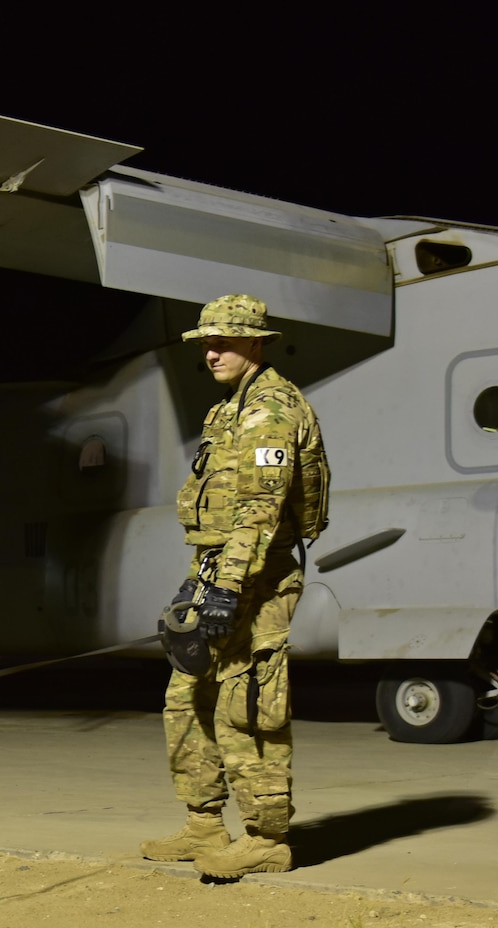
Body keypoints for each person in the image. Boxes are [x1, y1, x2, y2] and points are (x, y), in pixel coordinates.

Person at [141, 294, 323, 878]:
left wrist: (227, 587)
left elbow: (262, 509)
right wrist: (201, 581)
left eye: (224, 341)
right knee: (185, 696)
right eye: (206, 343)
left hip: (260, 577)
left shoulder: (271, 410)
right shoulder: (227, 410)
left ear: (256, 341)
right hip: (219, 569)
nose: (212, 352)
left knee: (247, 704)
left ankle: (266, 837)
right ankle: (203, 823)